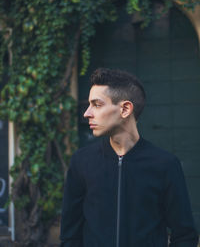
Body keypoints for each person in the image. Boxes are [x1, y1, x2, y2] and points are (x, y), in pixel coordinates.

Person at [60, 67, 199, 247]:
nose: (87, 113)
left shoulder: (165, 165)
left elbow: (185, 236)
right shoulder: (81, 162)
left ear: (125, 109)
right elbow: (70, 236)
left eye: (97, 104)